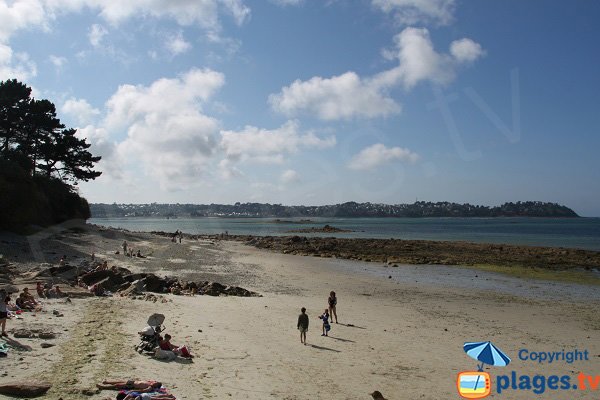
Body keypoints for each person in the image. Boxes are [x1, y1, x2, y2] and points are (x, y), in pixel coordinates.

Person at [96, 379, 162, 391]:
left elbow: (144, 391)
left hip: (132, 386)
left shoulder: (150, 387)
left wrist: (133, 391)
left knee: (117, 385)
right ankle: (107, 382)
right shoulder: (150, 382)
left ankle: (103, 387)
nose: (154, 382)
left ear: (155, 386)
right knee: (119, 381)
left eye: (155, 383)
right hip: (133, 382)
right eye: (155, 381)